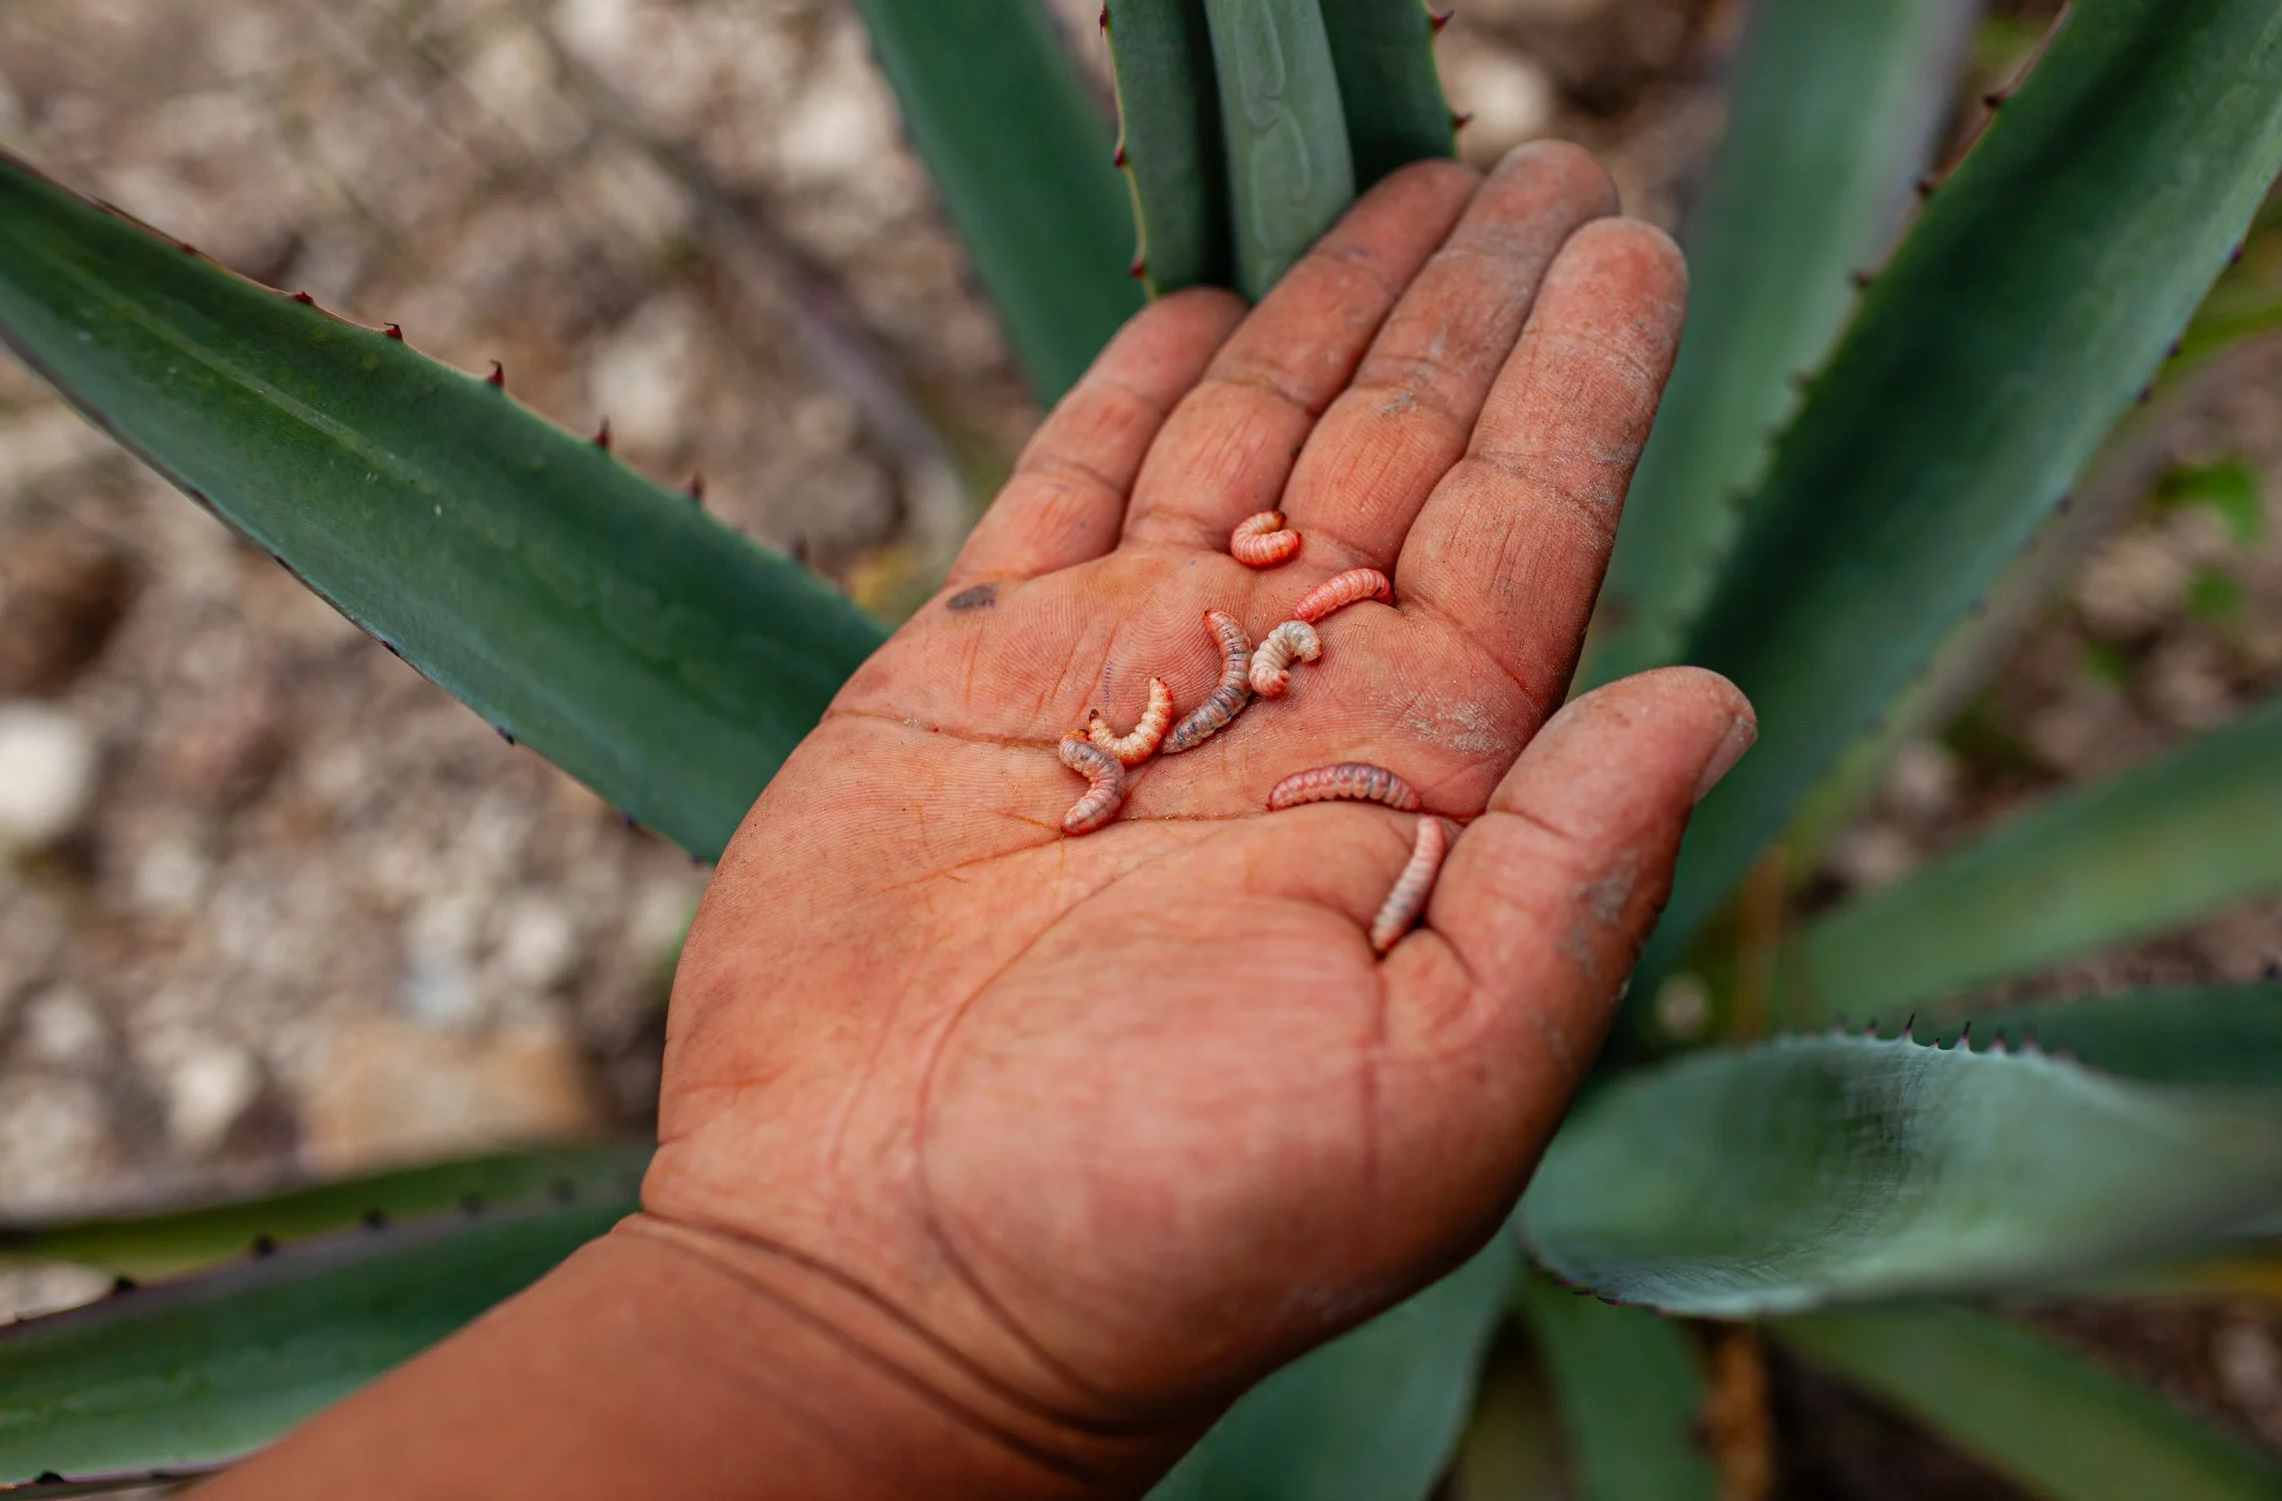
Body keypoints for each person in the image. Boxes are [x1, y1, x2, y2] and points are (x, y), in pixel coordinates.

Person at [199, 141, 1754, 1500]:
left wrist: (860, 1303)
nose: (1287, 615)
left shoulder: (1245, 676)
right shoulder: (1217, 693)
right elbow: (1223, 685)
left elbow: (1236, 677)